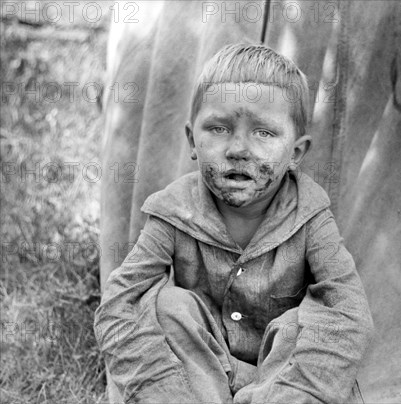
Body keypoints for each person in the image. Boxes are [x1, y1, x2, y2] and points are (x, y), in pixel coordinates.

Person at [94, 43, 374, 404]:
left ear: (296, 153)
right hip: (198, 376)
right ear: (192, 139)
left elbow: (350, 313)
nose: (239, 149)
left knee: (304, 324)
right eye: (219, 128)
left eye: (264, 133)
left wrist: (299, 393)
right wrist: (159, 389)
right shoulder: (173, 212)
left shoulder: (311, 217)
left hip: (280, 380)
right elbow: (120, 305)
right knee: (168, 307)